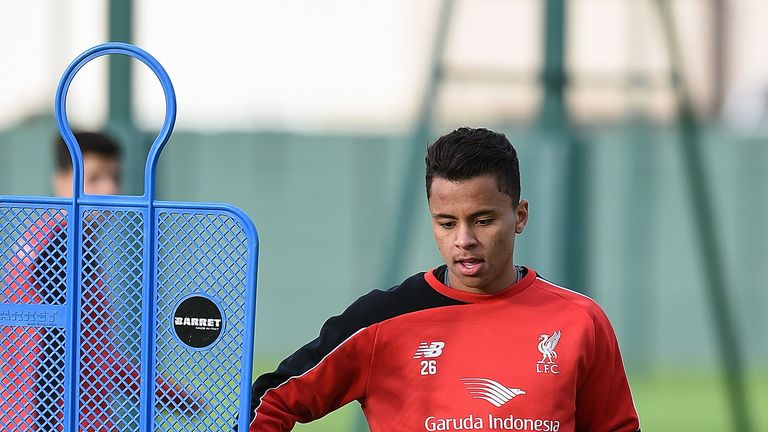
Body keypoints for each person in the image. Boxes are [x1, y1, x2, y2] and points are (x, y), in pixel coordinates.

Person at [247, 127, 640, 431]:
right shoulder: (381, 321)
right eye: (447, 223)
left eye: (483, 220)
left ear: (519, 216)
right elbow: (271, 400)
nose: (463, 240)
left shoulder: (580, 322)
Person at [2, 131, 199, 431]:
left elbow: (90, 352)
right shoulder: (65, 246)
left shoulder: (42, 238)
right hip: (60, 419)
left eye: (114, 176)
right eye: (94, 177)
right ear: (61, 180)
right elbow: (59, 354)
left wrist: (169, 394)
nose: (109, 188)